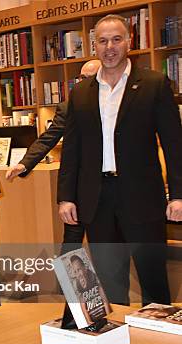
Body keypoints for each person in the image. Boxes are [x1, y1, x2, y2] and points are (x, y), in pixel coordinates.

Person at [57, 14, 182, 307]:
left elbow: (175, 145)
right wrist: (66, 198)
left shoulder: (154, 84)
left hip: (143, 198)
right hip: (97, 200)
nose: (109, 47)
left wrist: (178, 194)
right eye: (102, 41)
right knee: (110, 283)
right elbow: (72, 149)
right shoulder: (80, 93)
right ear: (93, 45)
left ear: (128, 42)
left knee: (153, 281)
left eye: (116, 39)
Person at [6, 60, 101, 253]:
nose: (86, 82)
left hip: (109, 187)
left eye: (92, 77)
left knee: (106, 247)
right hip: (79, 188)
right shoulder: (69, 106)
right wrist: (24, 164)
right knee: (71, 245)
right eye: (82, 78)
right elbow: (49, 137)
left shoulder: (116, 104)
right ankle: (66, 284)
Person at [68, 254, 112, 323]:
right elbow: (85, 314)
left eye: (79, 270)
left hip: (105, 318)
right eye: (75, 272)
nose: (78, 275)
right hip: (94, 323)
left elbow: (105, 302)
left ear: (85, 268)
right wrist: (91, 323)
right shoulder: (81, 296)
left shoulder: (98, 287)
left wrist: (109, 320)